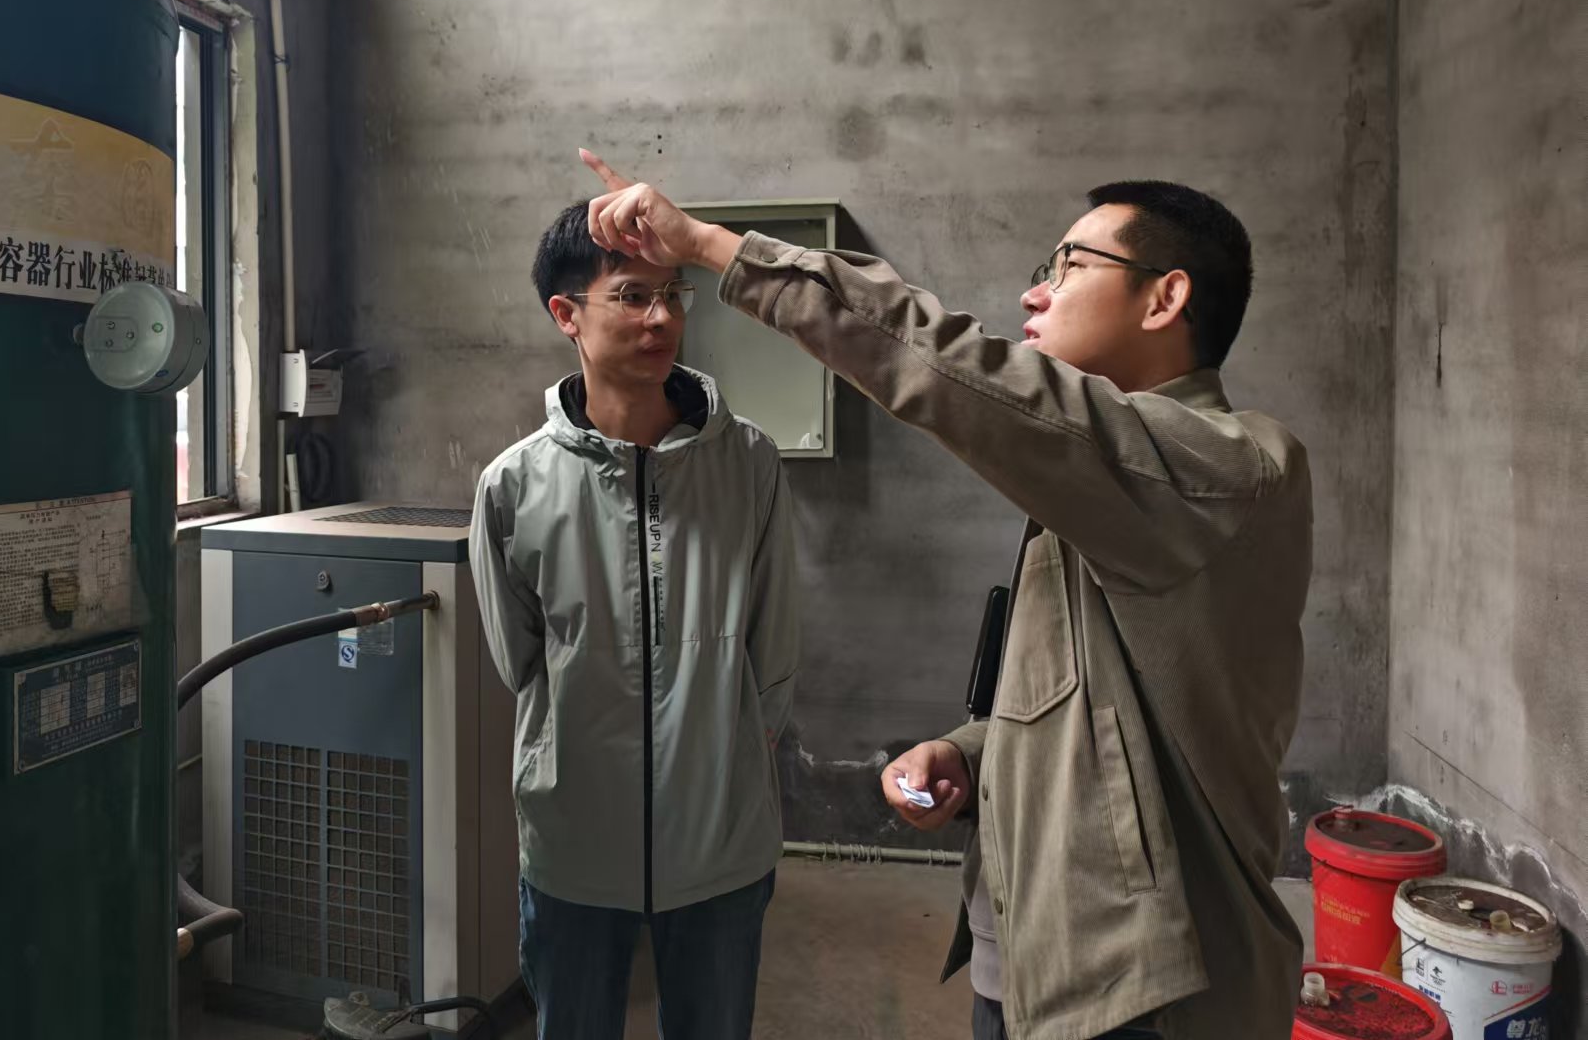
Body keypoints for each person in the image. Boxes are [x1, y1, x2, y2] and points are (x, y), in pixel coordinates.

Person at [577, 150, 1312, 1040]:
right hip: (1037, 966)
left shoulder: (1220, 467)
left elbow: (948, 367)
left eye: (1070, 266)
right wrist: (971, 752)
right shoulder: (1108, 488)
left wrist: (707, 245)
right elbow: (1104, 707)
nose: (1035, 292)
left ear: (1165, 298)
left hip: (1143, 998)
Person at [470, 201, 800, 1040]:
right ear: (566, 313)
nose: (662, 317)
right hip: (574, 839)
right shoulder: (513, 486)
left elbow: (773, 650)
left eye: (673, 293)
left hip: (720, 837)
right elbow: (520, 659)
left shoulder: (748, 463)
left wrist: (728, 755)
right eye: (631, 295)